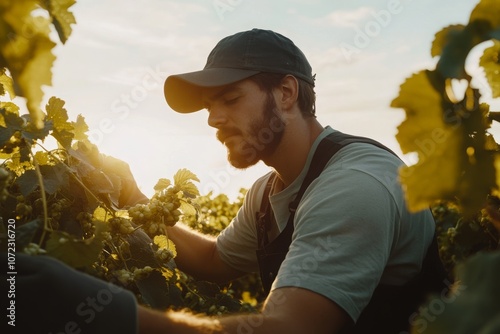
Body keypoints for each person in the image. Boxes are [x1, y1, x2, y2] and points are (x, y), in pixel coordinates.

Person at [155, 28, 444, 333]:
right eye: (209, 106)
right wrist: (129, 195)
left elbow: (290, 328)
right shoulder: (266, 193)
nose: (213, 119)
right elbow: (213, 260)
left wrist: (124, 318)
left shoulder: (353, 185)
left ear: (286, 93)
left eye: (230, 99)